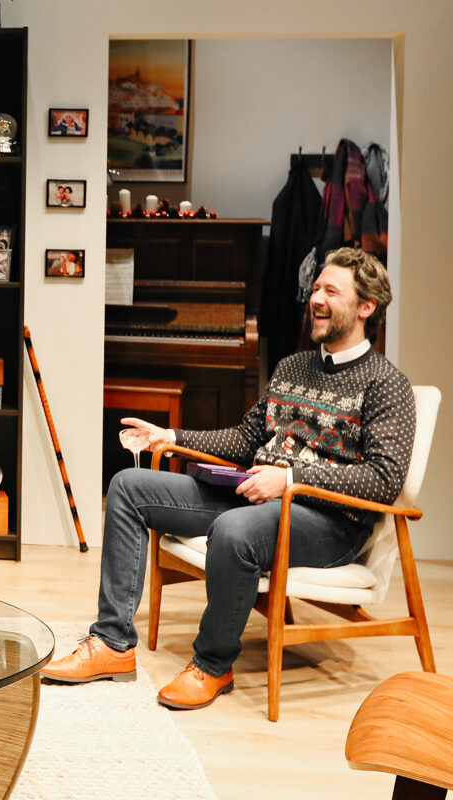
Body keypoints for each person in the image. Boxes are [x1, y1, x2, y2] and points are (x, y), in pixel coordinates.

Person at [42, 247, 415, 711]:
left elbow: (383, 479)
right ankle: (113, 644)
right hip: (255, 499)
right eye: (315, 288)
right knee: (128, 487)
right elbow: (245, 437)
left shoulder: (387, 384)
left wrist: (290, 478)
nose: (315, 298)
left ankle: (213, 666)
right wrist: (171, 435)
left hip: (327, 523)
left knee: (234, 531)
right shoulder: (292, 367)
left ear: (365, 307)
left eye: (330, 291)